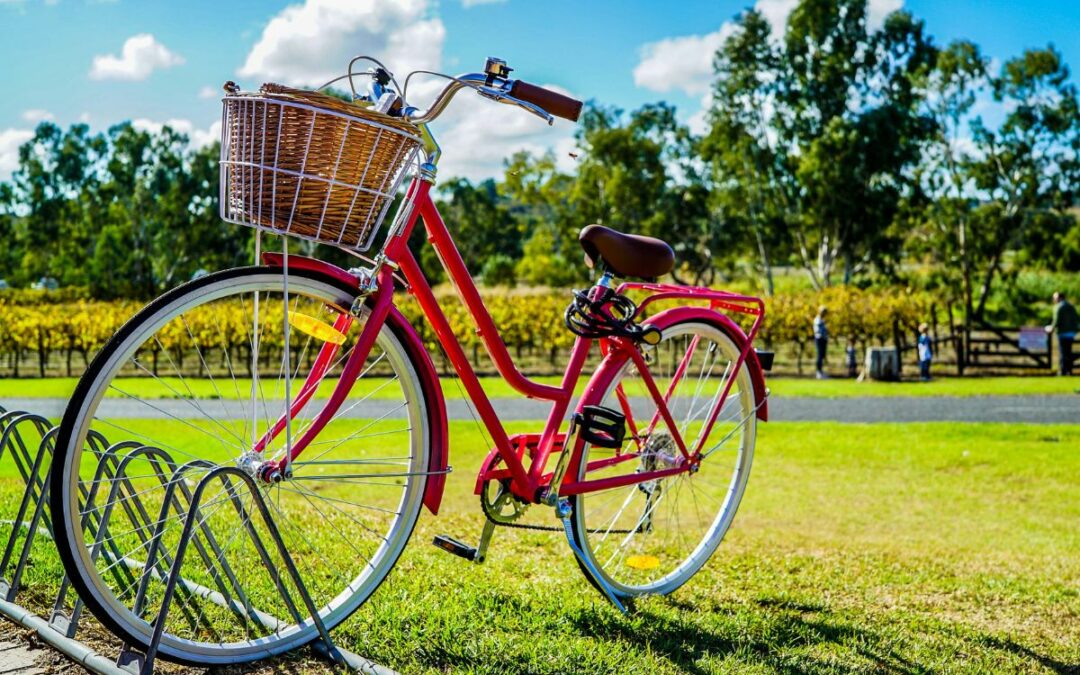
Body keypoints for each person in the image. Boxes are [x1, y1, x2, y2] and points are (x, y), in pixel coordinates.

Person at [1046, 292, 1077, 376]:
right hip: (1071, 333)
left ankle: (1063, 371)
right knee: (1068, 352)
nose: (1053, 300)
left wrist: (1051, 328)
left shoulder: (1058, 307)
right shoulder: (1071, 306)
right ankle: (1069, 370)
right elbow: (1076, 319)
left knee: (1063, 352)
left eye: (1055, 298)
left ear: (1059, 298)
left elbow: (1056, 320)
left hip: (1062, 333)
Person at [813, 306, 829, 379]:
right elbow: (819, 331)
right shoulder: (817, 320)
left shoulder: (821, 320)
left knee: (822, 356)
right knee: (819, 355)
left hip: (823, 339)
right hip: (819, 339)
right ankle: (818, 373)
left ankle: (821, 372)